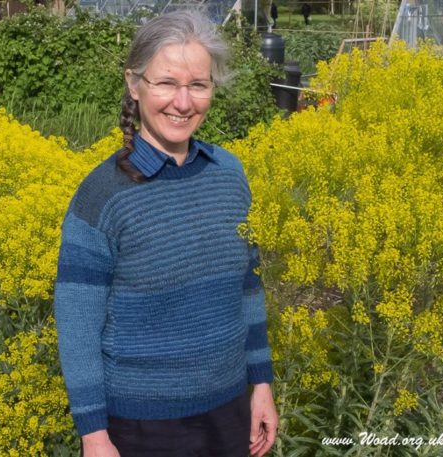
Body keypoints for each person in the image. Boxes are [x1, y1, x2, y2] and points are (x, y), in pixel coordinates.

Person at [54, 10, 278, 457]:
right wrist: (93, 435)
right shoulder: (102, 196)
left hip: (229, 410)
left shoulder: (229, 174)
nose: (183, 101)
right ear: (134, 85)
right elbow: (77, 325)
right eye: (166, 83)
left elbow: (248, 287)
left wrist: (262, 385)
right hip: (142, 428)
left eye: (198, 85)